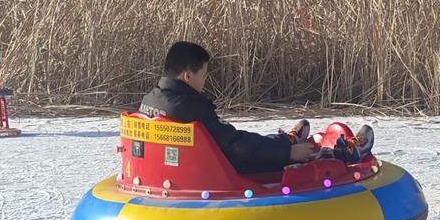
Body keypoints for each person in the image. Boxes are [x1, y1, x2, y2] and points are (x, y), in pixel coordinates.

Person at [139, 41, 373, 174]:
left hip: (189, 169)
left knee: (258, 142)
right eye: (204, 75)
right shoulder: (189, 108)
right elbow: (236, 145)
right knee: (297, 157)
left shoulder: (150, 100)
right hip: (227, 168)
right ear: (188, 76)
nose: (205, 81)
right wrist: (286, 154)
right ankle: (342, 154)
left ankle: (286, 141)